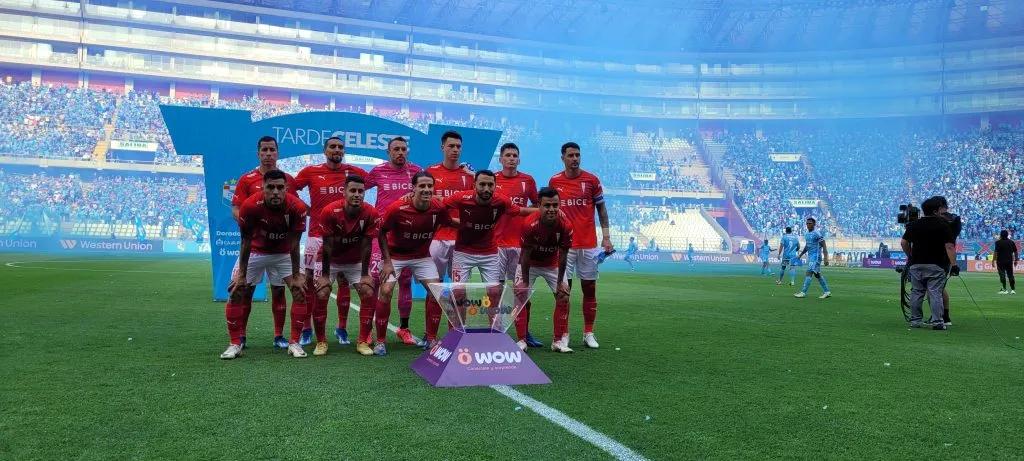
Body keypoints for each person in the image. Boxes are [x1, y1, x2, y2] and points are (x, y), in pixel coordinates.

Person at [221, 169, 309, 359]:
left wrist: (296, 275)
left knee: (300, 291)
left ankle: (294, 343)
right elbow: (245, 242)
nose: (275, 192)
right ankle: (235, 343)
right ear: (263, 188)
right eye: (271, 187)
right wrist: (241, 275)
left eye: (280, 187)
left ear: (286, 189)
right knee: (236, 291)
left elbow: (295, 243)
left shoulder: (298, 207)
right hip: (255, 251)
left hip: (284, 252)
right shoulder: (250, 206)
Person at [294, 136, 367, 348]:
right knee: (310, 281)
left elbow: (375, 182)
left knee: (344, 280)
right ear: (325, 150)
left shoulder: (354, 172)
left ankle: (341, 328)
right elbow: (290, 189)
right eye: (333, 146)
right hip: (316, 236)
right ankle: (307, 329)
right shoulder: (310, 171)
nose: (337, 150)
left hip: (343, 237)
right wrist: (306, 210)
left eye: (341, 147)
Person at [229, 136, 298, 349]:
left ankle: (279, 336)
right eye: (264, 150)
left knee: (279, 290)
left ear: (278, 153)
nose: (268, 154)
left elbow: (292, 210)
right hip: (256, 247)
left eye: (272, 150)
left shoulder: (288, 179)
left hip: (281, 248)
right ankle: (241, 335)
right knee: (245, 289)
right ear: (258, 153)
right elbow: (236, 209)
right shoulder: (246, 179)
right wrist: (254, 224)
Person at [375, 171, 452, 355]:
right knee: (385, 291)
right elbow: (381, 233)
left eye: (429, 186)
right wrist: (387, 262)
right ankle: (380, 341)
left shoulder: (438, 207)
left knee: (437, 291)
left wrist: (476, 223)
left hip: (421, 256)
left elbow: (450, 222)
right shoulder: (397, 208)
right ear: (413, 188)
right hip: (395, 256)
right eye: (422, 186)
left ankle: (431, 339)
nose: (426, 189)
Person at [548, 142, 613, 349]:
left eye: (577, 155)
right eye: (571, 155)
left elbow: (602, 210)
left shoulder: (591, 180)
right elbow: (551, 212)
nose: (575, 158)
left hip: (588, 244)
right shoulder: (554, 181)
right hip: (565, 246)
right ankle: (564, 334)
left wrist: (606, 237)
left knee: (590, 289)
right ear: (562, 158)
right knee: (564, 291)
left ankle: (588, 333)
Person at [364, 136, 423, 345]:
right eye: (396, 149)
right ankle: (368, 330)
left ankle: (404, 328)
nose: (400, 152)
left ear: (407, 151)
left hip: (406, 236)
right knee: (375, 282)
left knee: (405, 281)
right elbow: (358, 189)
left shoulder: (416, 172)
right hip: (381, 236)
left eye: (403, 149)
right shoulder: (378, 171)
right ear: (388, 152)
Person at [312, 175, 378, 356]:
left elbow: (366, 246)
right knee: (322, 292)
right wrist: (325, 276)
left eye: (361, 191)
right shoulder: (329, 211)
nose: (357, 194)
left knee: (368, 291)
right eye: (353, 190)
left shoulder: (370, 213)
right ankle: (321, 341)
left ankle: (363, 342)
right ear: (344, 191)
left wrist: (365, 274)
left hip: (354, 261)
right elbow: (327, 246)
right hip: (329, 260)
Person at [493, 142, 543, 347]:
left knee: (522, 290)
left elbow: (538, 204)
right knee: (495, 290)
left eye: (515, 155)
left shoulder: (527, 180)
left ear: (519, 159)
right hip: (496, 244)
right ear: (501, 159)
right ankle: (495, 332)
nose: (511, 158)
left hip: (521, 243)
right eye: (508, 155)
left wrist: (523, 212)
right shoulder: (493, 180)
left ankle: (524, 332)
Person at [516, 187, 573, 352]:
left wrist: (561, 282)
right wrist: (525, 282)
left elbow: (563, 255)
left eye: (555, 205)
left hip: (552, 264)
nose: (552, 209)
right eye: (547, 205)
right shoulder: (529, 224)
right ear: (539, 205)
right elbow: (525, 256)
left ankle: (557, 342)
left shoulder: (565, 225)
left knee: (563, 295)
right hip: (530, 264)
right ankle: (521, 341)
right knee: (520, 295)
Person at [900, 197, 957, 330]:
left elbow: (904, 243)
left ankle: (915, 321)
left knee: (917, 292)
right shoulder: (943, 225)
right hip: (936, 265)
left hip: (916, 264)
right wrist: (953, 264)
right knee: (935, 293)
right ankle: (937, 322)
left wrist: (910, 256)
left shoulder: (914, 224)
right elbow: (949, 246)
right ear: (936, 211)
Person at [425, 131, 474, 281]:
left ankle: (457, 305)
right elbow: (422, 198)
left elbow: (484, 197)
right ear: (442, 148)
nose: (455, 149)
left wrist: (474, 175)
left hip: (462, 236)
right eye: (451, 146)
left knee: (459, 285)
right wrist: (439, 198)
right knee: (434, 284)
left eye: (458, 146)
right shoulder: (430, 172)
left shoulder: (469, 175)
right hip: (438, 236)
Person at [794, 218, 831, 299]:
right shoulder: (806, 233)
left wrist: (826, 258)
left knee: (809, 273)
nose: (808, 225)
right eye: (807, 223)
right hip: (811, 257)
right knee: (817, 275)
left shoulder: (817, 234)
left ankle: (803, 292)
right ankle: (827, 291)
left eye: (810, 223)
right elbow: (807, 246)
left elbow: (824, 245)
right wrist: (800, 255)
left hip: (816, 257)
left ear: (814, 224)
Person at [994, 230, 1018, 295]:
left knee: (1002, 275)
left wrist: (993, 260)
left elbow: (996, 252)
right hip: (1009, 261)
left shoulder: (998, 243)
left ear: (1001, 235)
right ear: (1007, 235)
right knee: (1010, 275)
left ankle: (1004, 289)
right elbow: (1015, 251)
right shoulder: (1011, 242)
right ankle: (1013, 289)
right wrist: (1016, 260)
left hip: (1000, 261)